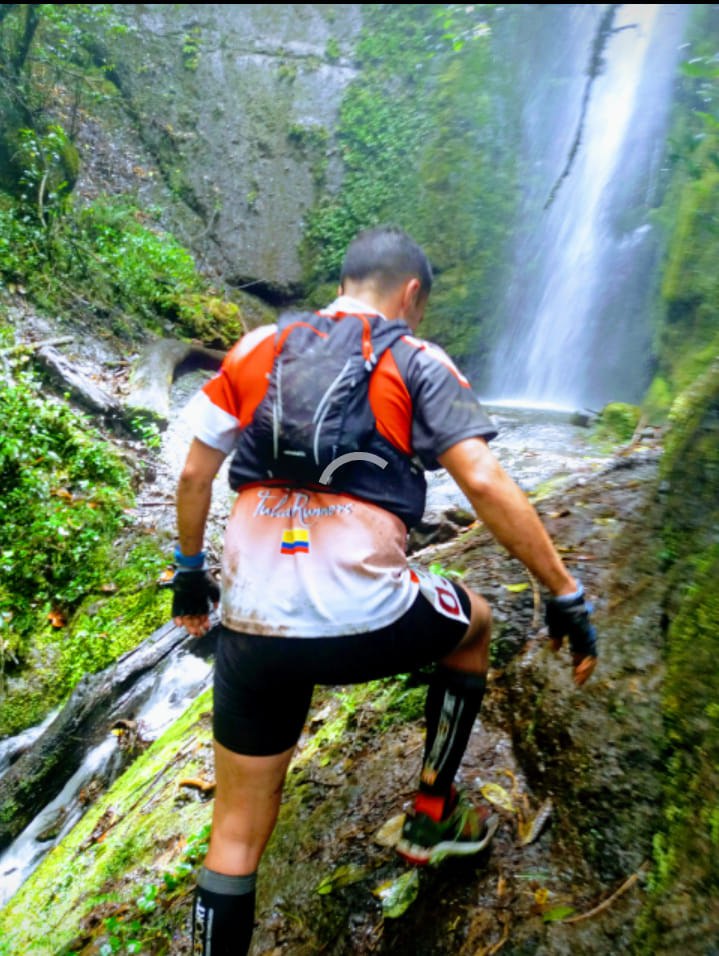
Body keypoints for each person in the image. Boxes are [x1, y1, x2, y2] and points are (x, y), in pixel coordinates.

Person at [171, 225, 597, 956]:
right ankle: (431, 813)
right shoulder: (415, 357)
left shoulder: (256, 348)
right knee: (476, 621)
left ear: (342, 283)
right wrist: (563, 592)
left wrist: (188, 578)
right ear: (410, 295)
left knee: (234, 834)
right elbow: (484, 481)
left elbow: (192, 476)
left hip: (248, 625)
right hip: (363, 618)